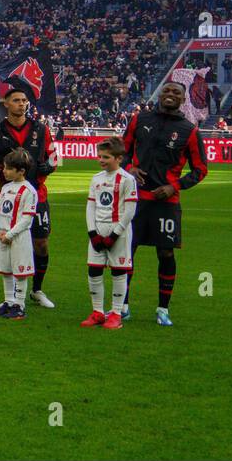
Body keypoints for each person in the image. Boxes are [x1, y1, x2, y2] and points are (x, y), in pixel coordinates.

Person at [120, 81, 208, 327]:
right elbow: (122, 152)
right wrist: (130, 168)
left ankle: (162, 309)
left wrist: (174, 187)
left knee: (166, 252)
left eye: (176, 93)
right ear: (160, 94)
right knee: (127, 252)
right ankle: (123, 306)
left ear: (183, 99)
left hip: (166, 203)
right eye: (167, 90)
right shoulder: (139, 120)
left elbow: (200, 169)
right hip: (134, 199)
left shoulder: (189, 130)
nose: (170, 95)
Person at [0, 84, 58, 309]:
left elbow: (53, 158)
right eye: (16, 100)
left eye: (24, 100)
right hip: (8, 197)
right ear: (5, 103)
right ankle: (11, 296)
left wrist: (46, 167)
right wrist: (4, 173)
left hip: (37, 195)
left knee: (41, 243)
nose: (21, 104)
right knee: (9, 241)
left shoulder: (41, 129)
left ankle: (37, 290)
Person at [81, 137, 137, 330]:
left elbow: (130, 211)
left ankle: (116, 313)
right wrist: (92, 233)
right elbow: (90, 206)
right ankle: (97, 312)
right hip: (97, 232)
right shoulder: (96, 178)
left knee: (118, 271)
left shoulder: (128, 179)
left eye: (106, 157)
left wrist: (115, 234)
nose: (101, 160)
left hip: (119, 233)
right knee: (94, 270)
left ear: (119, 158)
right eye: (99, 156)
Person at [0, 149, 38, 321]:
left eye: (9, 168)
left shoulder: (29, 191)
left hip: (18, 237)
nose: (4, 171)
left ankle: (19, 305)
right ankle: (9, 301)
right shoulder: (5, 188)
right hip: (2, 236)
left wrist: (10, 234)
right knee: (6, 270)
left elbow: (27, 219)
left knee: (20, 271)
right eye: (4, 167)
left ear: (21, 171)